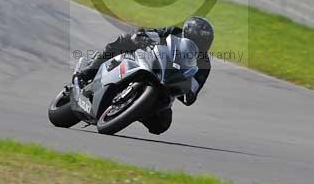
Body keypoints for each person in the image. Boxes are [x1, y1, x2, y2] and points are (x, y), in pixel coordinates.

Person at [73, 17, 215, 134]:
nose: (200, 44)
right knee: (125, 39)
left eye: (204, 42)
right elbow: (153, 32)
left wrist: (189, 91)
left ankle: (133, 110)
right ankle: (89, 70)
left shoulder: (204, 64)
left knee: (161, 125)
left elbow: (193, 91)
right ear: (186, 33)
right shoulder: (173, 32)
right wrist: (143, 36)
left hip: (168, 85)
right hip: (151, 62)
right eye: (198, 39)